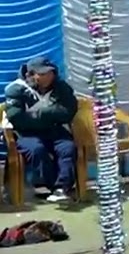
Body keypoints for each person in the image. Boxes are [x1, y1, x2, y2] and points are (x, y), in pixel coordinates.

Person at [5, 58, 78, 204]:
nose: (48, 77)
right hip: (26, 132)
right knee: (37, 150)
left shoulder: (61, 87)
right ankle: (52, 186)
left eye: (50, 73)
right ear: (31, 75)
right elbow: (17, 118)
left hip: (53, 130)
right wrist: (51, 114)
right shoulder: (16, 89)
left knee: (67, 147)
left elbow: (69, 111)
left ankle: (63, 188)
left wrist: (41, 114)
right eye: (43, 74)